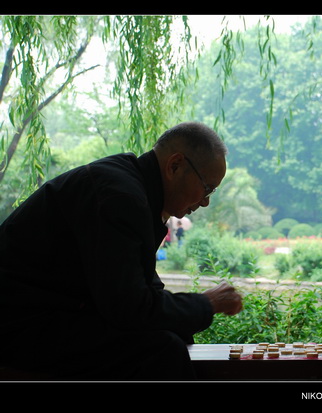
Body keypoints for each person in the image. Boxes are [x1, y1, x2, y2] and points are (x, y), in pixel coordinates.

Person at [0, 122, 243, 380]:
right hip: (19, 325)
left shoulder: (132, 189)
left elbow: (143, 294)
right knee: (162, 350)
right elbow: (130, 308)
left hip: (51, 316)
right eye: (207, 189)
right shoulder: (119, 196)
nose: (205, 202)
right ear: (175, 166)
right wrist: (205, 303)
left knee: (172, 338)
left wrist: (192, 313)